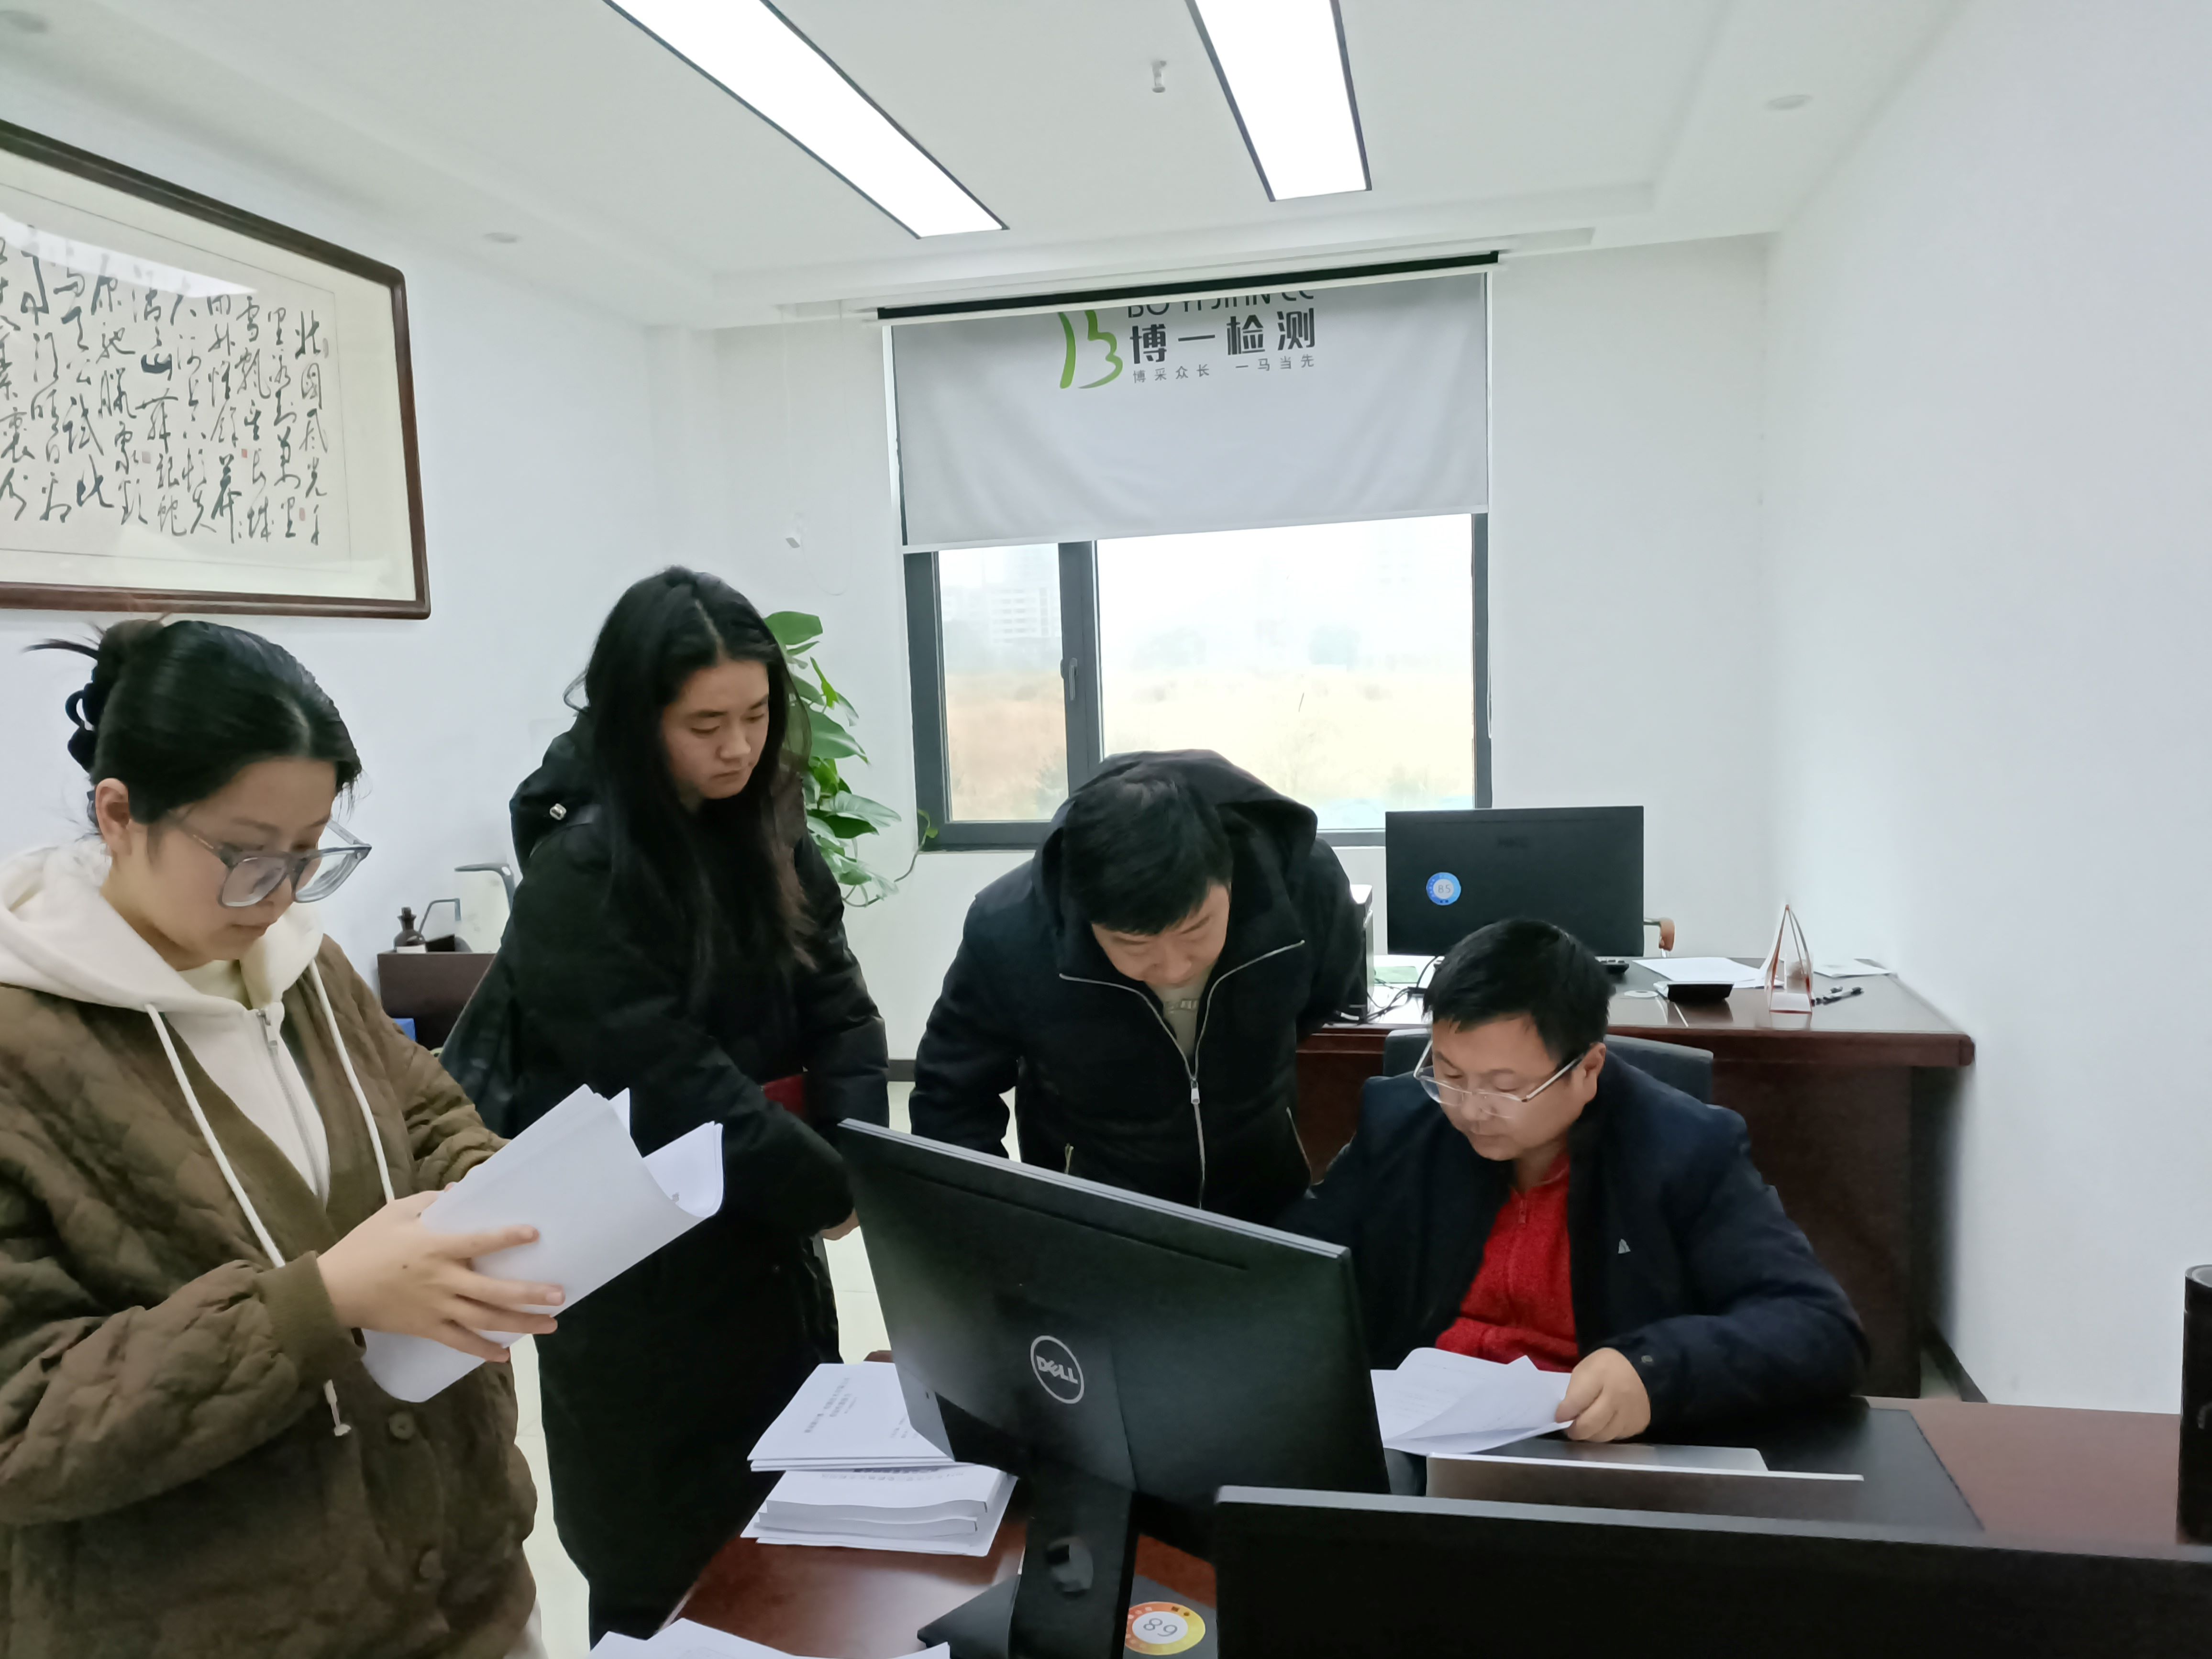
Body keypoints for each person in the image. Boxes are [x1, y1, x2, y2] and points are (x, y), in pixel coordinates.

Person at [0, 619, 558, 1657]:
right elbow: (22, 1421)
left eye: (311, 853)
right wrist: (321, 1303)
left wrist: (490, 1197)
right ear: (119, 814)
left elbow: (424, 1114)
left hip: (453, 1584)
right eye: (248, 856)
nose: (284, 894)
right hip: (210, 1619)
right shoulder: (24, 1043)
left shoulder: (304, 967)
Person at [441, 567, 889, 1641]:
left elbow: (839, 1002)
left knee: (787, 1522)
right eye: (705, 725)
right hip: (640, 1263)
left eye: (756, 717)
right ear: (636, 720)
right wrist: (827, 1189)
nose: (737, 749)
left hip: (765, 1239)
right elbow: (674, 1082)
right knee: (660, 1559)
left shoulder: (766, 824)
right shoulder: (580, 875)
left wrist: (861, 1154)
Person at [1291, 918, 1865, 1441]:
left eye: (1505, 1087)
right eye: (1449, 1073)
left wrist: (1652, 1370)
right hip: (1415, 1435)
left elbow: (1819, 1327)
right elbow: (1302, 1269)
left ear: (1588, 1069)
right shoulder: (1403, 1124)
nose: (1469, 1109)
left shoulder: (1683, 1150)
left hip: (1591, 1445)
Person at [909, 751, 1366, 1224]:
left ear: (1229, 876)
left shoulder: (1300, 885)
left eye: (1196, 930)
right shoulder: (1012, 932)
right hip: (1093, 1215)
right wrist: (994, 1227)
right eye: (1134, 945)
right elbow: (952, 1097)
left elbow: (1321, 999)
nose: (1173, 969)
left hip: (1264, 1198)